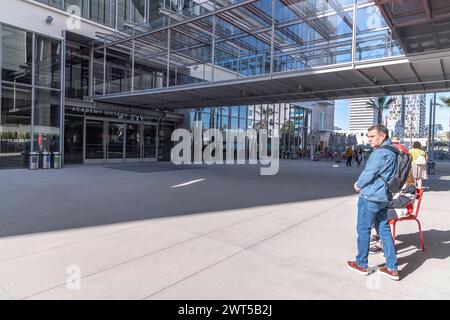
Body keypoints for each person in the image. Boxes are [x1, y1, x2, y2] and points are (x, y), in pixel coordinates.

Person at [347, 124, 400, 281]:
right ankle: (392, 267)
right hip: (384, 197)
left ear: (382, 136)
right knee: (384, 230)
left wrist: (358, 184)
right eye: (368, 137)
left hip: (371, 197)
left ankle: (361, 264)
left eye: (372, 136)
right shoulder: (394, 151)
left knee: (363, 229)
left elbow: (368, 173)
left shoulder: (379, 153)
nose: (369, 140)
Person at [369, 170, 416, 254]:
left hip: (403, 209)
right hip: (394, 206)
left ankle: (382, 243)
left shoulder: (409, 187)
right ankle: (376, 234)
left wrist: (384, 202)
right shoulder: (398, 182)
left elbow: (400, 203)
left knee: (381, 215)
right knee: (373, 210)